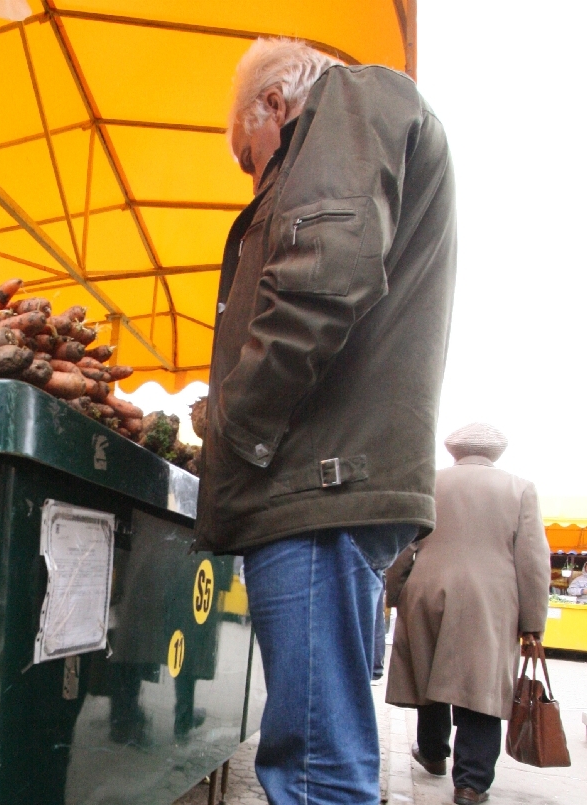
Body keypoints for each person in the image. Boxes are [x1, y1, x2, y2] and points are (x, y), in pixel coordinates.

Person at [193, 38, 457, 805]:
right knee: (323, 758)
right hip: (330, 481)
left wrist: (231, 428)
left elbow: (320, 277)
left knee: (314, 771)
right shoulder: (374, 118)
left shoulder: (348, 101)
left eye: (250, 158)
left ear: (274, 105)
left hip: (314, 484)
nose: (255, 178)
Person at [386, 423, 551, 805]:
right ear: (497, 452)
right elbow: (532, 559)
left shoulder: (429, 482)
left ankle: (432, 752)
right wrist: (532, 621)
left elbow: (403, 543)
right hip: (490, 598)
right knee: (480, 685)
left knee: (428, 672)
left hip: (427, 589)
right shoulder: (520, 488)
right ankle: (470, 783)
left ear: (454, 450)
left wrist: (394, 593)